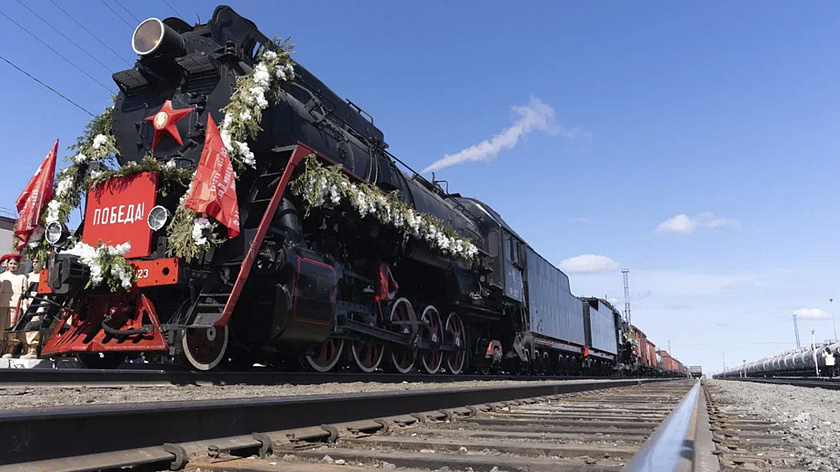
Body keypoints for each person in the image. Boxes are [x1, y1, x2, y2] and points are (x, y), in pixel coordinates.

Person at [0, 254, 28, 358]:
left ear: (18, 265)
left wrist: (25, 304)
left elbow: (25, 293)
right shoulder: (2, 276)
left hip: (16, 305)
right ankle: (1, 348)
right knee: (1, 327)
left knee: (12, 327)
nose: (12, 266)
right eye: (11, 263)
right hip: (2, 304)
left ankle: (10, 349)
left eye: (15, 264)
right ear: (7, 264)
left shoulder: (22, 277)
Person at [17, 258, 43, 359]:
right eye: (33, 262)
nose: (35, 264)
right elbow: (25, 291)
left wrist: (42, 305)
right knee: (23, 325)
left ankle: (33, 350)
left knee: (34, 325)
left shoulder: (45, 275)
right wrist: (24, 303)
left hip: (38, 303)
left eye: (37, 261)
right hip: (28, 303)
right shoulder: (28, 276)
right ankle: (25, 348)